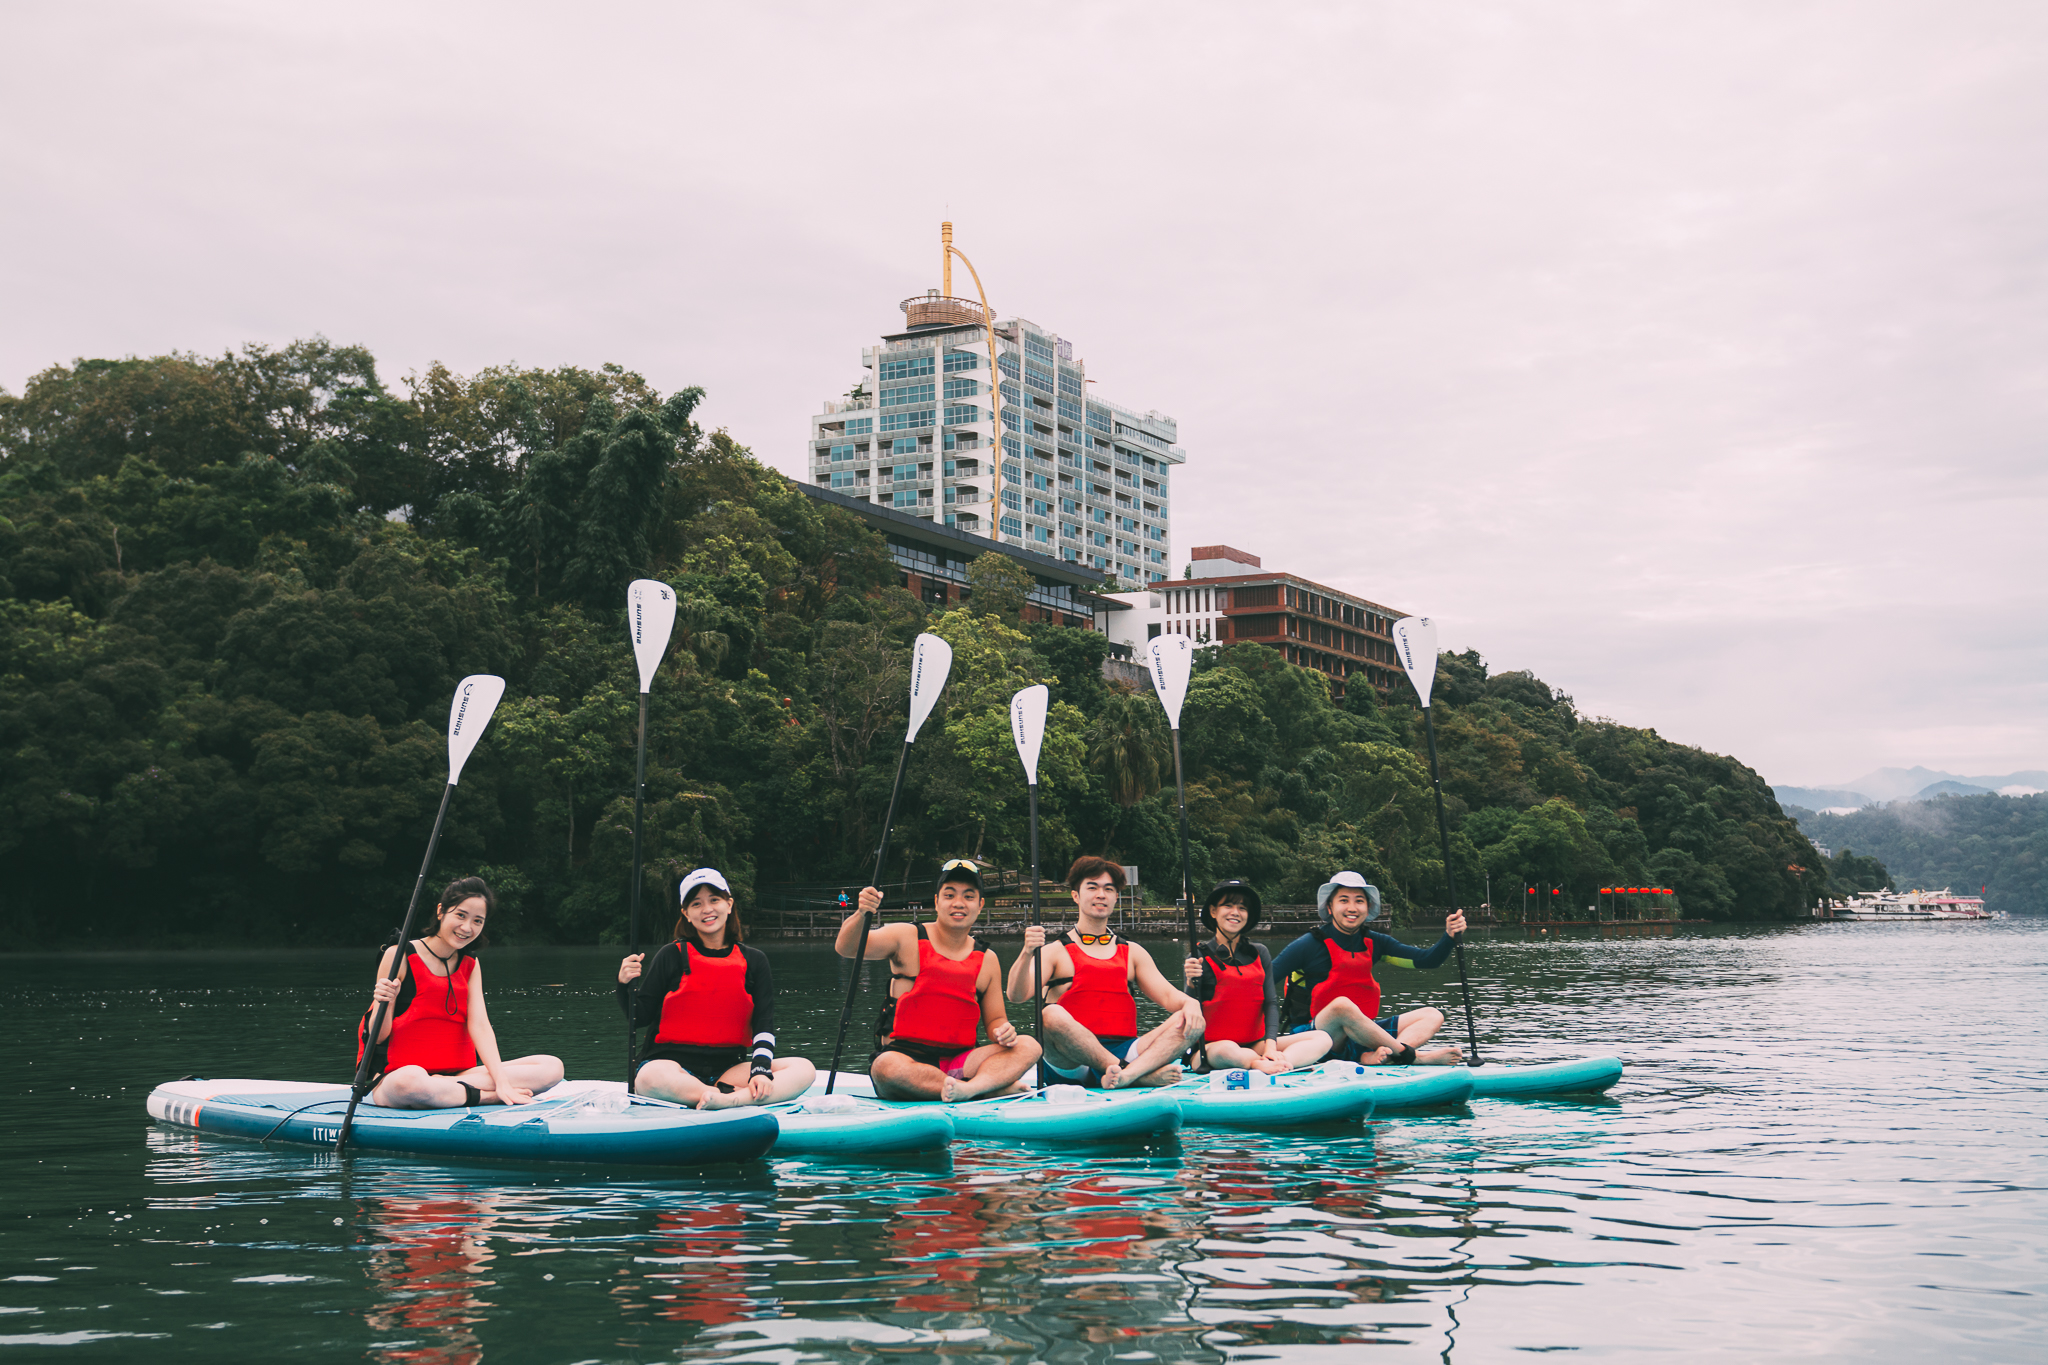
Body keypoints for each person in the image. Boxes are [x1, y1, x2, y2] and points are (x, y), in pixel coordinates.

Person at [839, 860, 1042, 1102]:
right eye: (949, 895)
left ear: (980, 905)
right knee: (886, 1068)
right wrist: (862, 912)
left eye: (968, 896)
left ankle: (969, 1089)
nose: (958, 903)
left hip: (960, 1063)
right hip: (906, 1058)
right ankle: (983, 1088)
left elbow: (996, 1020)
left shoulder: (988, 959)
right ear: (937, 902)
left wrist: (1003, 1032)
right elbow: (848, 948)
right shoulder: (906, 936)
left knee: (1029, 1045)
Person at [617, 868, 818, 1109]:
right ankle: (718, 1097)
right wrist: (624, 985)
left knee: (803, 1068)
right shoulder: (670, 955)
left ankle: (726, 1100)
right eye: (696, 903)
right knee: (650, 1078)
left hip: (727, 1071)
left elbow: (764, 1023)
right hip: (671, 1067)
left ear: (729, 904)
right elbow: (638, 1017)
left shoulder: (754, 960)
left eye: (714, 900)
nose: (707, 909)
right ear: (686, 914)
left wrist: (760, 1071)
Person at [358, 876, 564, 1109]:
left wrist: (502, 1081)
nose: (467, 928)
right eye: (460, 915)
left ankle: (450, 1089)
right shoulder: (399, 955)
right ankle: (484, 1096)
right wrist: (383, 1000)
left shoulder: (471, 964)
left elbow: (480, 1026)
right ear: (440, 911)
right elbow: (377, 1035)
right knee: (411, 1082)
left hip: (460, 1074)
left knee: (551, 1067)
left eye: (478, 921)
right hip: (398, 1077)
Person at [1006, 856, 1203, 1088]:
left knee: (1193, 1018)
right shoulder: (1054, 951)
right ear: (1076, 896)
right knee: (1050, 1014)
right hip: (1071, 1063)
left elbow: (1170, 997)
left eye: (1108, 889)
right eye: (1092, 887)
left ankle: (1127, 1075)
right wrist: (1027, 952)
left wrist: (1190, 1004)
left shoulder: (1133, 952)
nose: (1101, 895)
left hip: (1125, 1049)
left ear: (1115, 898)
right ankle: (1132, 1074)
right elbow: (1016, 996)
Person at [1272, 870, 1467, 1065]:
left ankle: (1384, 1057)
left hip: (1359, 1037)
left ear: (1368, 907)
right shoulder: (1307, 945)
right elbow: (1263, 983)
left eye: (1359, 900)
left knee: (1432, 1015)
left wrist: (1449, 936)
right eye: (1343, 900)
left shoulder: (1376, 942)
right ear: (1330, 907)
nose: (1352, 907)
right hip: (1315, 1039)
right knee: (1342, 1006)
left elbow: (1427, 960)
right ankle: (1410, 1056)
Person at [1181, 880, 1332, 1074]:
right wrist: (1189, 983)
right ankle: (1258, 1064)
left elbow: (1270, 1003)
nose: (1235, 912)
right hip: (1212, 1048)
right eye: (1228, 905)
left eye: (1242, 908)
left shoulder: (1260, 953)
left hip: (1255, 1045)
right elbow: (1188, 1009)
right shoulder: (1198, 957)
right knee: (1228, 1051)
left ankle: (1280, 1063)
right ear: (1213, 911)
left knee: (1322, 1038)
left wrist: (1270, 1046)